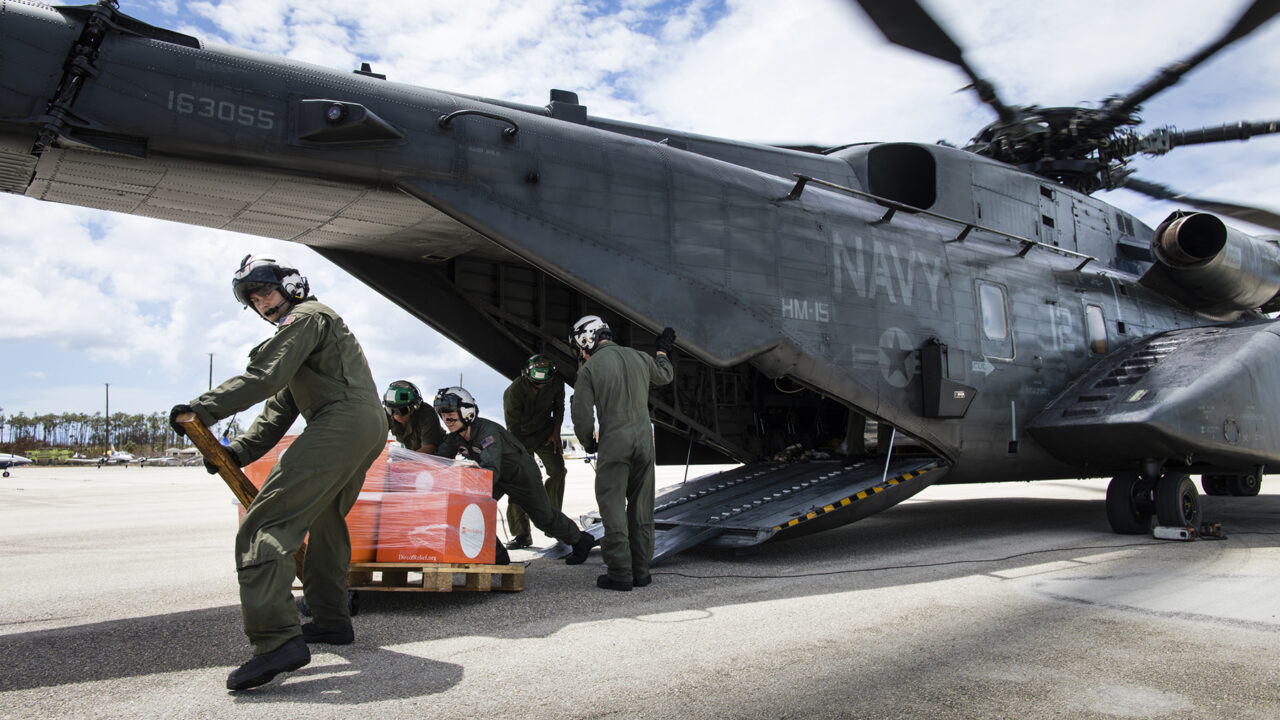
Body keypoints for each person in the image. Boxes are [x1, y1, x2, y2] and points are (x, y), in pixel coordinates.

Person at [169, 255, 385, 691]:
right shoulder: (310, 337)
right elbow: (279, 408)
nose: (263, 305)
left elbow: (263, 376)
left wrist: (203, 409)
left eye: (265, 292)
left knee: (263, 525)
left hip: (341, 421)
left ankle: (276, 641)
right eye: (253, 300)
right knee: (325, 522)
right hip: (363, 425)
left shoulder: (306, 318)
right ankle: (330, 621)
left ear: (291, 286)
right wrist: (237, 452)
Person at [431, 386, 596, 565]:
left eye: (450, 412)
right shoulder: (456, 437)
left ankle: (581, 540)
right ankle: (497, 557)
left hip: (520, 475)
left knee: (544, 518)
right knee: (470, 510)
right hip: (497, 477)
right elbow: (434, 461)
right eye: (442, 413)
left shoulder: (487, 432)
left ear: (466, 411)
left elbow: (490, 470)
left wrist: (464, 481)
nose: (446, 418)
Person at [569, 316, 675, 591]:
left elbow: (582, 416)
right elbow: (665, 375)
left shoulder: (589, 369)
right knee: (642, 507)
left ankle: (620, 573)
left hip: (615, 442)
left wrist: (588, 442)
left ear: (585, 339)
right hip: (644, 441)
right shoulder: (639, 357)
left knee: (613, 507)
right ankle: (641, 571)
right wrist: (662, 351)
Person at [501, 355, 567, 549]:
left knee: (558, 471)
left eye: (544, 384)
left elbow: (559, 407)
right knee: (519, 481)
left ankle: (552, 520)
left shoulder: (556, 382)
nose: (541, 387)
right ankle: (521, 534)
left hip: (545, 433)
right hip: (519, 437)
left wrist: (556, 432)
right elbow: (513, 427)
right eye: (537, 384)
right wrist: (521, 459)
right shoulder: (513, 391)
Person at [383, 380, 444, 453]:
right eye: (390, 410)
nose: (396, 415)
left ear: (414, 406)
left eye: (402, 410)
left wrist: (406, 462)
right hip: (414, 455)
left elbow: (429, 447)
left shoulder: (426, 413)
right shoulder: (387, 415)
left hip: (437, 455)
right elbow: (374, 437)